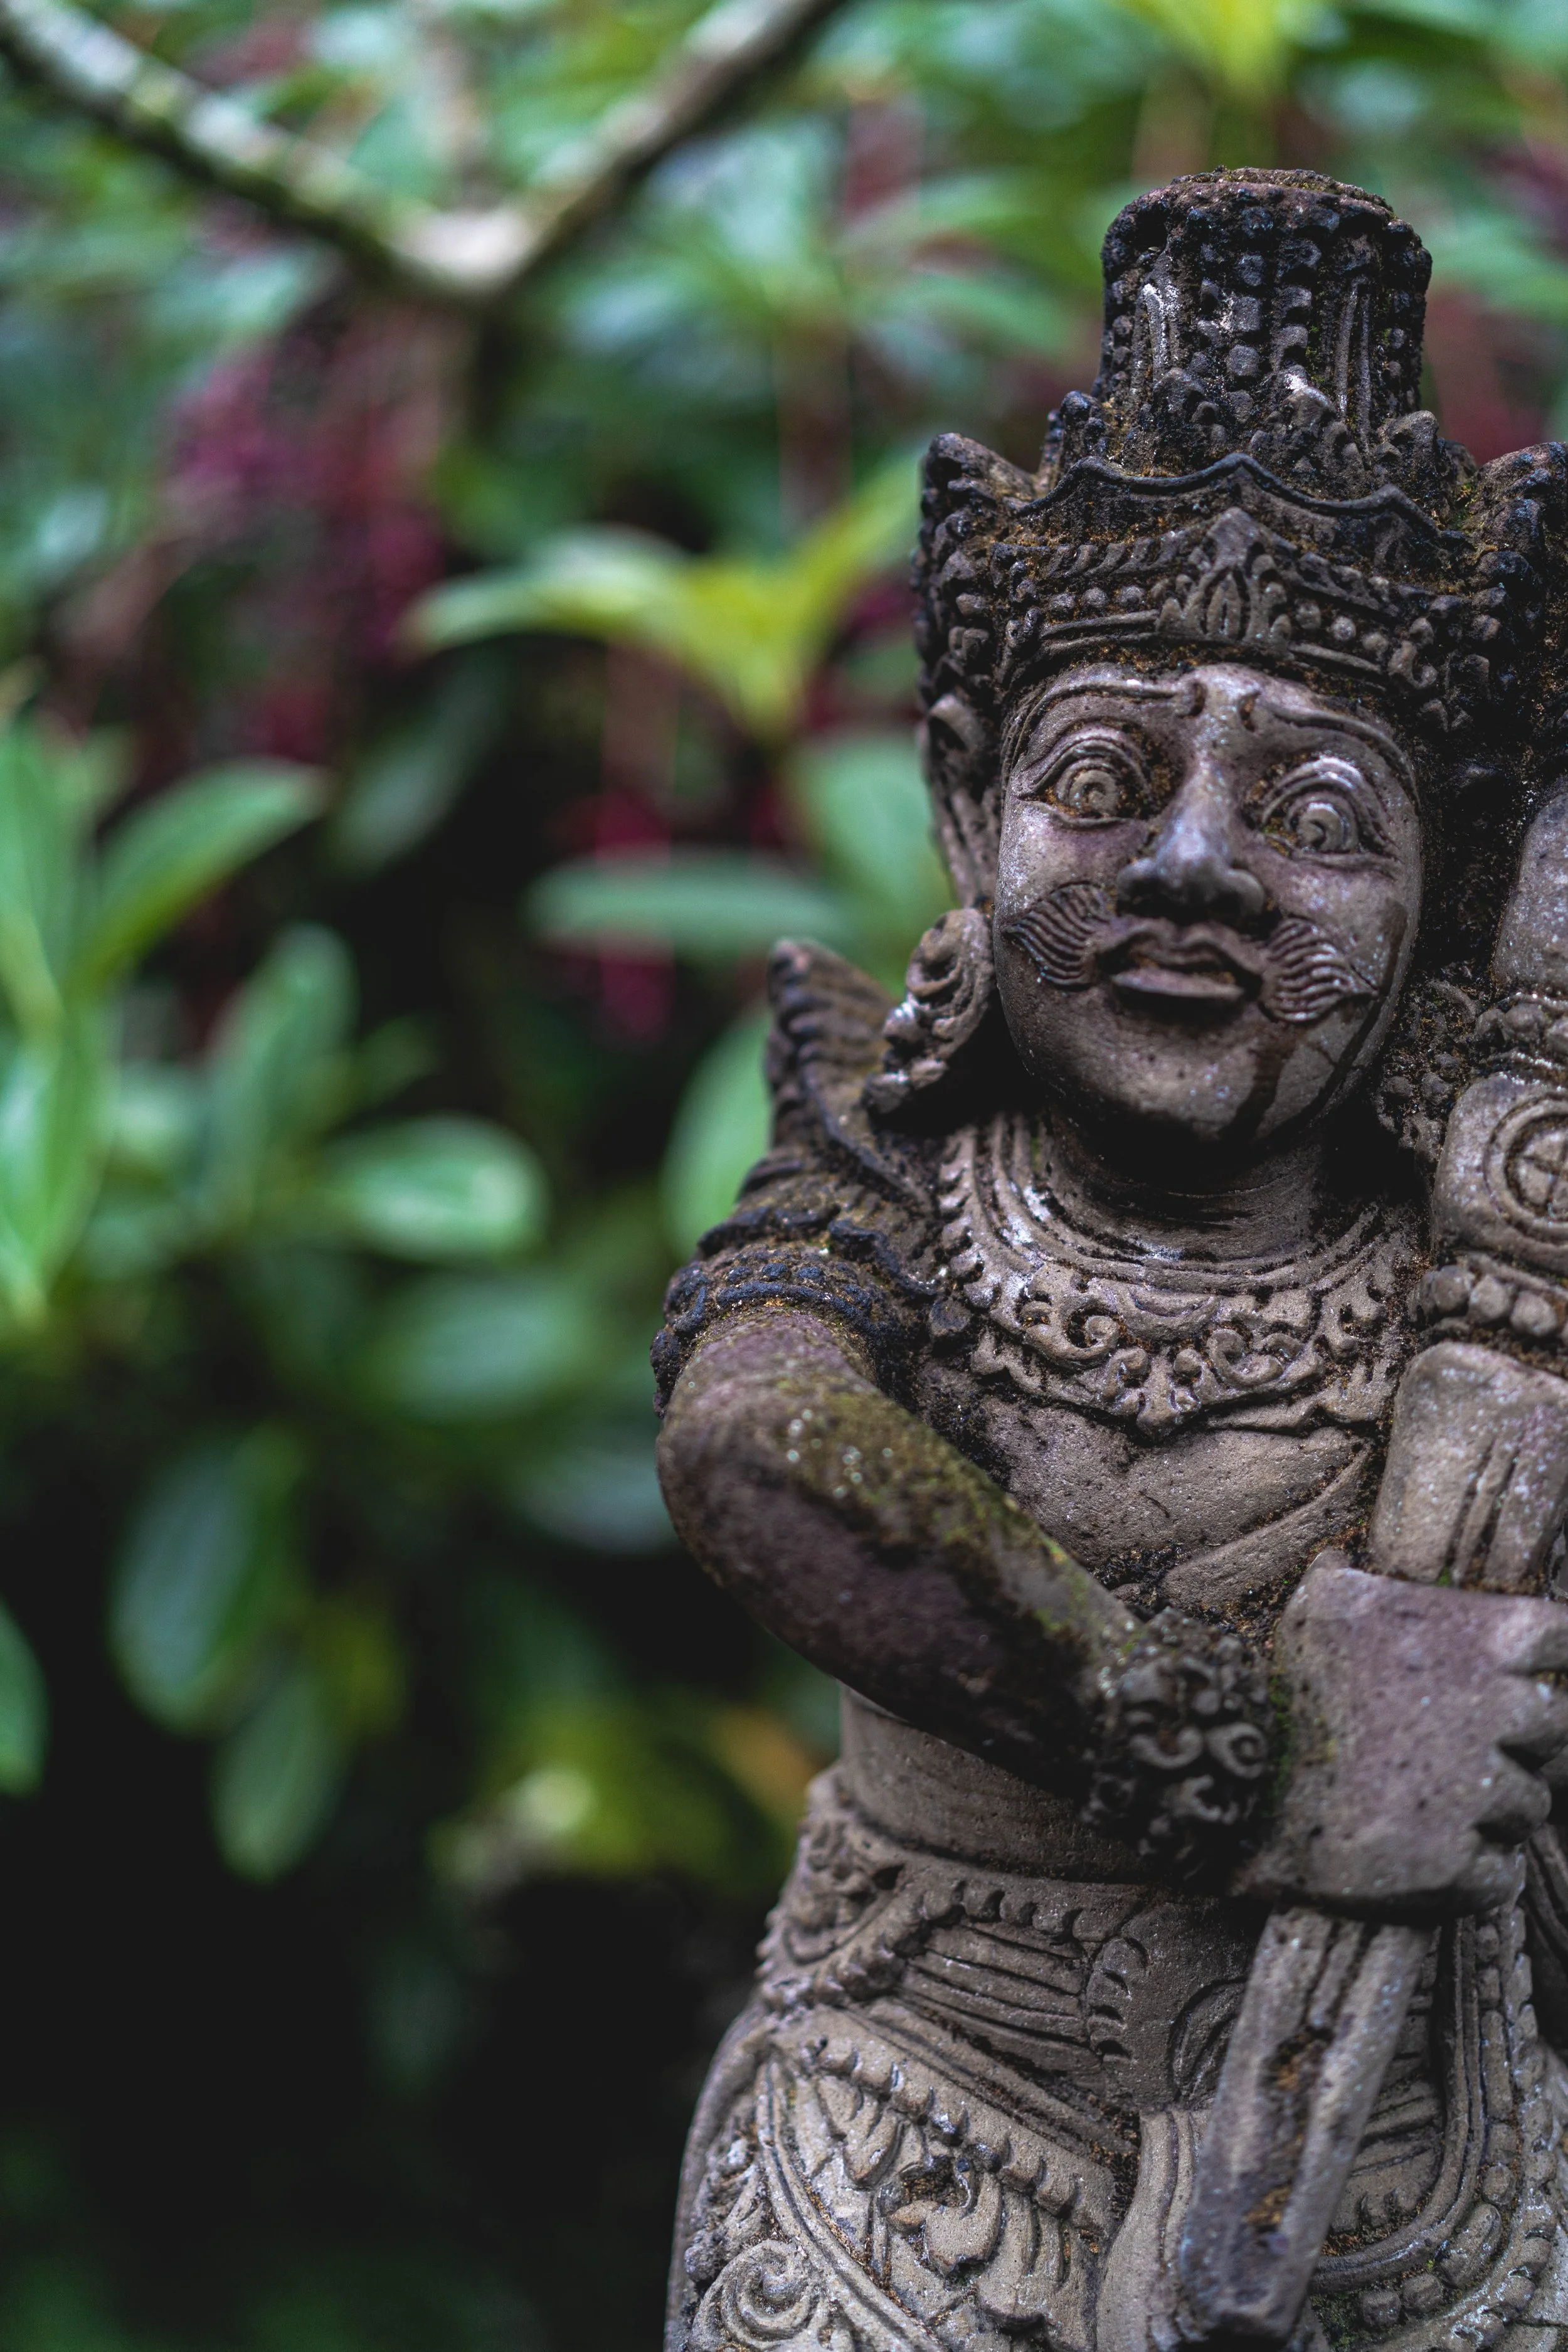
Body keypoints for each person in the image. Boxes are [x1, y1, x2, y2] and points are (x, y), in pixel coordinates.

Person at [655, 169, 1568, 2352]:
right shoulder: (886, 1181)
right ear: (967, 809)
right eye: (1104, 772)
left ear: (1451, 908)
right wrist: (1247, 1748)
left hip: (1413, 2162)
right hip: (907, 2124)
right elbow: (760, 1454)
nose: (1193, 865)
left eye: (1319, 815)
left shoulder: (1498, 1262)